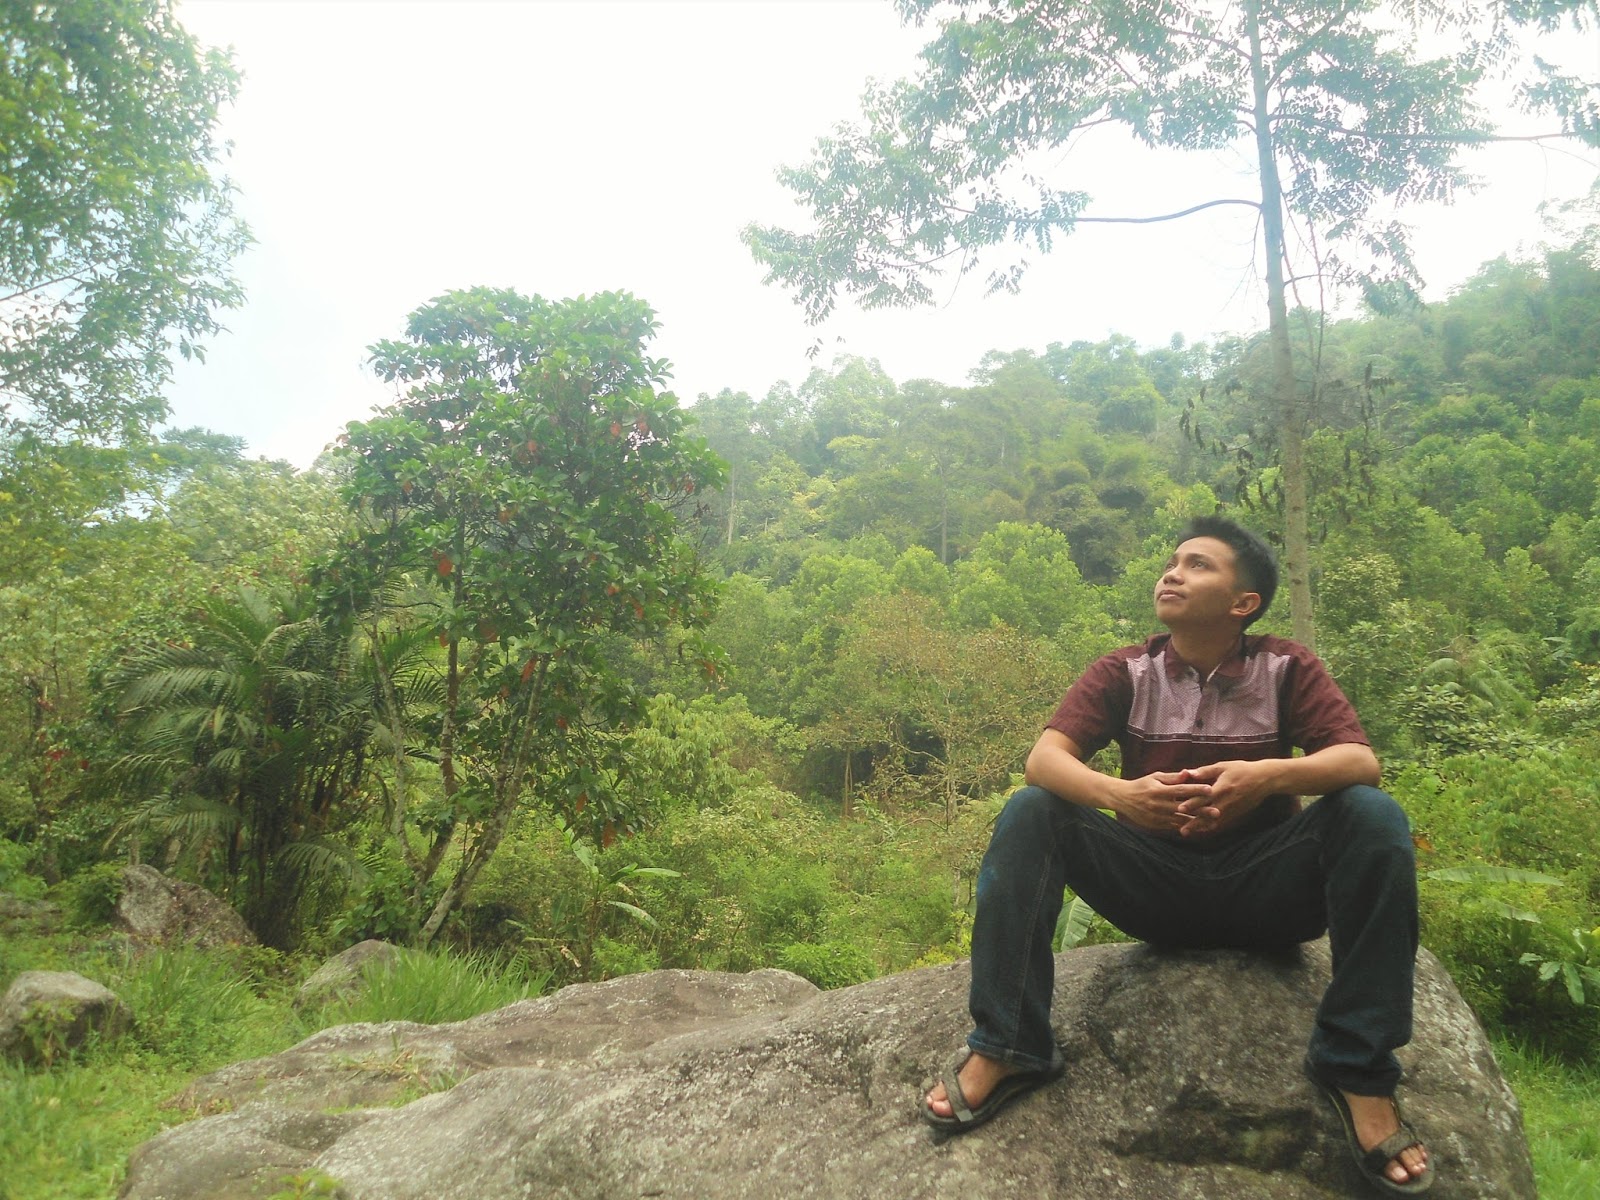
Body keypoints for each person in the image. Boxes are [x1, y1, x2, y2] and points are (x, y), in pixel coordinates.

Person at [920, 516, 1432, 1196]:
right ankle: (1011, 1044)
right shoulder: (1126, 670)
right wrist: (1120, 796)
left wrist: (1267, 777)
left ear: (1244, 602)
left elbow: (1359, 762)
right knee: (1031, 810)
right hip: (1154, 889)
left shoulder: (1287, 668)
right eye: (1173, 562)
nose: (1172, 573)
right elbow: (1044, 761)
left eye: (1198, 565)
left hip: (1268, 896)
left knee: (1372, 814)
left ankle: (1357, 1068)